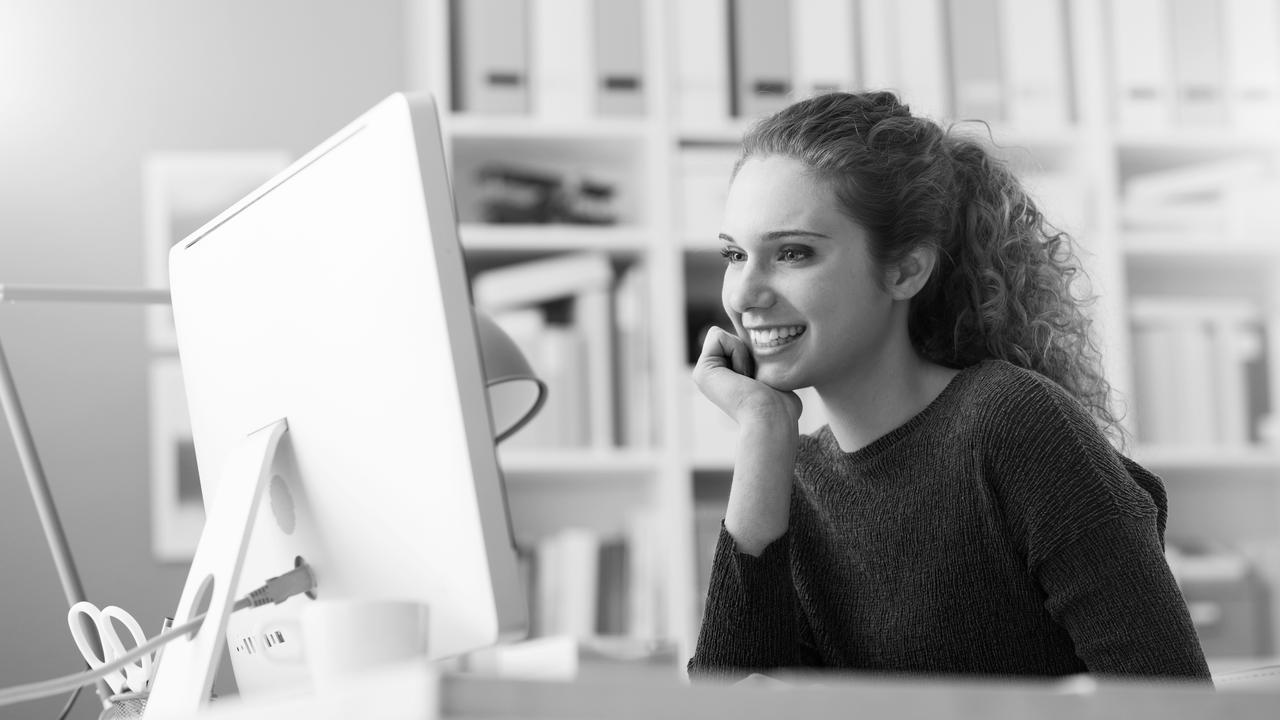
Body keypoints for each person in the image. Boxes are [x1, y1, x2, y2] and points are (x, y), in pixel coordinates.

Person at [687, 91, 1210, 683]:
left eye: (792, 253)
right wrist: (762, 431)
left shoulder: (1014, 423)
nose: (743, 294)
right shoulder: (792, 476)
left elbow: (1174, 702)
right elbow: (725, 703)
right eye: (735, 254)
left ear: (906, 269)